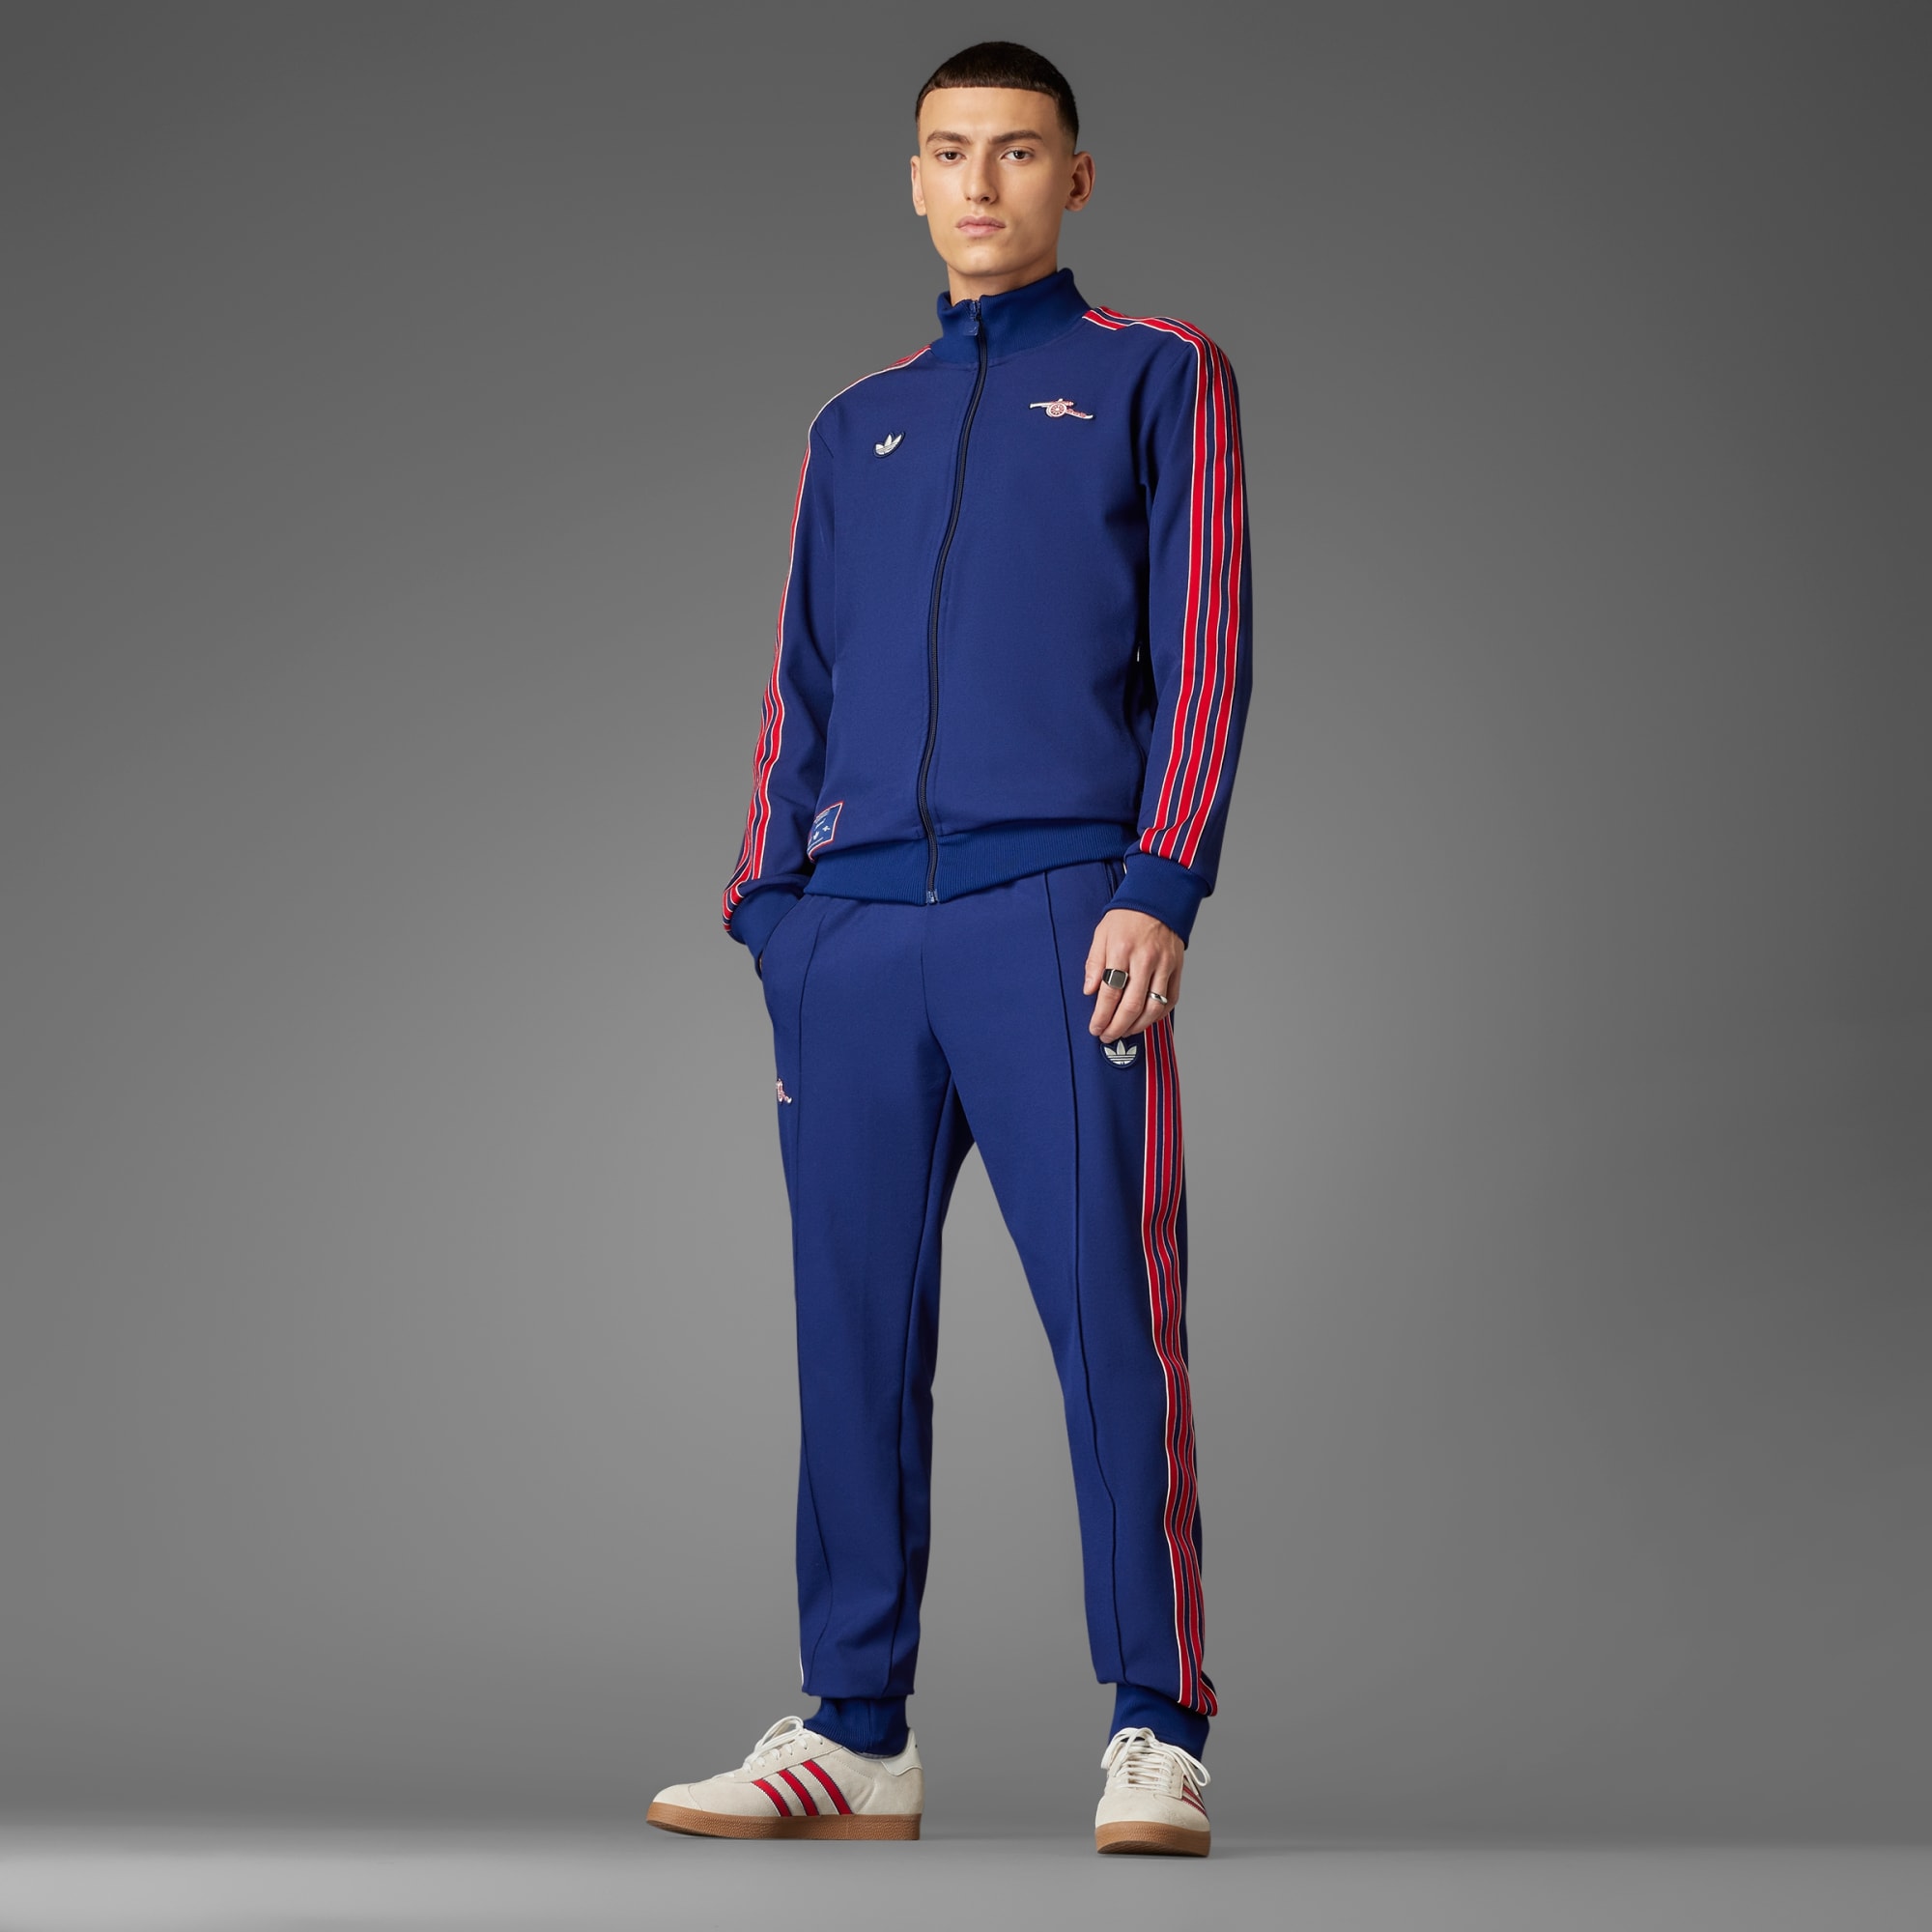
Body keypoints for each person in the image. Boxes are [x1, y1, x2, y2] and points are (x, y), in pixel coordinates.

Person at [652, 39, 1253, 1858]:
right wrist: (772, 915)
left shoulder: (1158, 374)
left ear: (1077, 177)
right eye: (947, 152)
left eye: (1016, 151)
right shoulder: (857, 424)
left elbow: (1206, 640)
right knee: (848, 1334)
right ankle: (856, 1735)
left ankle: (1156, 1728)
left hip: (1060, 914)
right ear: (912, 179)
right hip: (850, 937)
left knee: (1111, 1318)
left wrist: (1161, 878)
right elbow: (798, 685)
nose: (980, 184)